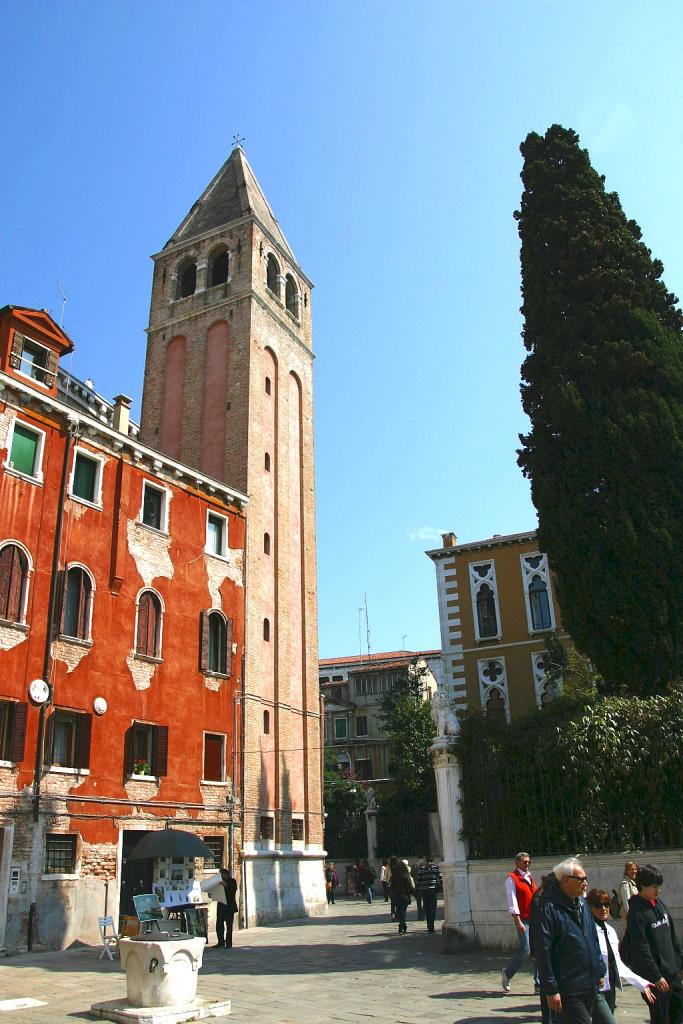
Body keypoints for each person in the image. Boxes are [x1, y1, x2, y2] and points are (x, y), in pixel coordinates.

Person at [536, 857, 606, 1024]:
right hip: (568, 988)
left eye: (586, 879)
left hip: (589, 983)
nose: (585, 883)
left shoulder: (582, 904)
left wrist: (599, 970)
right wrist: (551, 989)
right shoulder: (549, 907)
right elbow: (543, 950)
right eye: (580, 879)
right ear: (566, 880)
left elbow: (593, 939)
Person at [620, 864, 683, 1024]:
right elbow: (641, 948)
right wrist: (656, 976)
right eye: (654, 887)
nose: (658, 891)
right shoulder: (637, 912)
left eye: (659, 887)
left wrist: (680, 964)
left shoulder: (660, 905)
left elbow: (673, 938)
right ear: (642, 886)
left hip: (673, 974)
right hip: (656, 979)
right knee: (661, 1018)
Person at [585, 887, 654, 1024]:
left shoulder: (610, 931)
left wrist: (641, 983)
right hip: (594, 989)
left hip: (610, 988)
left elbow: (617, 964)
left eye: (606, 905)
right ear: (590, 908)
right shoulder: (587, 932)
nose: (604, 909)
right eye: (598, 905)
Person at [502, 851, 539, 993]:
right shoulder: (512, 878)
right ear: (517, 863)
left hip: (535, 918)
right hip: (523, 918)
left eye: (529, 861)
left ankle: (539, 983)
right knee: (526, 949)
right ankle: (507, 973)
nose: (527, 864)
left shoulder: (530, 877)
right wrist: (517, 920)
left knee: (538, 950)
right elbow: (512, 900)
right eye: (525, 861)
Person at [415, 855, 440, 933]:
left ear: (426, 861)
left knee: (427, 908)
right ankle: (431, 925)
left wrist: (417, 891)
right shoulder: (436, 869)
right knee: (432, 908)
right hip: (433, 891)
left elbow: (418, 882)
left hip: (424, 891)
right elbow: (441, 879)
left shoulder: (421, 869)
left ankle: (429, 925)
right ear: (433, 861)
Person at [389, 857, 415, 934]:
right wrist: (412, 893)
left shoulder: (394, 876)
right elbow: (410, 885)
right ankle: (402, 926)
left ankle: (402, 925)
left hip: (396, 895)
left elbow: (391, 886)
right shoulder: (405, 875)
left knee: (399, 911)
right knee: (403, 911)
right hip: (404, 895)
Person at [215, 868, 238, 949]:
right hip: (221, 906)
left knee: (229, 926)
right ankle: (220, 942)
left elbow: (232, 891)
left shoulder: (232, 881)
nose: (220, 876)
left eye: (221, 874)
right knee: (219, 925)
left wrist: (225, 885)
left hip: (229, 907)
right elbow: (215, 893)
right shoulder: (218, 883)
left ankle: (229, 943)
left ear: (226, 874)